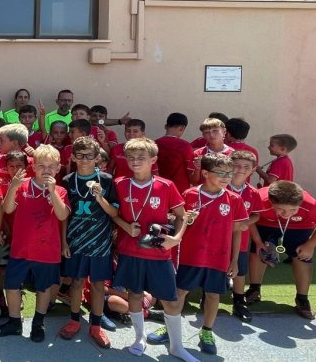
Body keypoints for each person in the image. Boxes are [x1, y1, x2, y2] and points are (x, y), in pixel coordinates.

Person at [147, 153, 248, 357]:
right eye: (220, 172)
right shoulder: (190, 194)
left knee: (212, 294)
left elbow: (237, 231)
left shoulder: (234, 199)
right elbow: (175, 221)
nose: (227, 177)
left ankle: (207, 332)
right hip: (189, 256)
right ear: (205, 173)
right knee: (178, 293)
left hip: (218, 257)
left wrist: (235, 259)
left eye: (230, 172)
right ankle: (170, 329)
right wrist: (186, 221)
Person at [106, 137, 189, 359]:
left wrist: (176, 238)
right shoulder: (120, 183)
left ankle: (176, 346)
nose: (135, 161)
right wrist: (126, 226)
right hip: (129, 251)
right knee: (134, 294)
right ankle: (139, 338)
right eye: (131, 157)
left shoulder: (166, 185)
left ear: (153, 159)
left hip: (159, 252)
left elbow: (181, 216)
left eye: (141, 157)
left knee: (170, 300)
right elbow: (113, 215)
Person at [0, 145, 70, 343]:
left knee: (43, 289)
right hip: (21, 248)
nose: (46, 170)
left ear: (58, 168)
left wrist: (52, 191)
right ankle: (14, 322)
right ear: (33, 167)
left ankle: (38, 323)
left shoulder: (59, 190)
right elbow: (8, 209)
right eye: (41, 165)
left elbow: (62, 215)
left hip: (47, 250)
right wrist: (13, 187)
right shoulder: (23, 185)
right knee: (11, 286)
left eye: (51, 166)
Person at [58, 136, 120, 349]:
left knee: (97, 285)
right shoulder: (67, 180)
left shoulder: (107, 180)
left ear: (97, 158)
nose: (84, 160)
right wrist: (64, 242)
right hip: (75, 241)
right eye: (80, 156)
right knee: (76, 282)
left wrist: (100, 197)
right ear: (73, 157)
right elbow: (64, 214)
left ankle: (95, 325)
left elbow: (114, 212)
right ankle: (74, 320)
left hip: (100, 242)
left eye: (90, 156)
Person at [246, 180, 316, 319]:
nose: (286, 213)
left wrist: (310, 245)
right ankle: (254, 289)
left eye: (293, 210)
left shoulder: (309, 204)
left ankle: (302, 298)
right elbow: (248, 219)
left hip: (300, 227)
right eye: (280, 209)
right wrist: (257, 242)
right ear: (270, 201)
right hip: (265, 224)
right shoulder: (259, 198)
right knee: (259, 251)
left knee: (303, 256)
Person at [227, 149, 260, 322]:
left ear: (253, 170)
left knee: (239, 270)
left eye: (246, 166)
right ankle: (207, 295)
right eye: (236, 165)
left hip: (241, 239)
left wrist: (247, 222)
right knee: (214, 267)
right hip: (218, 238)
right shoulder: (220, 185)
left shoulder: (253, 192)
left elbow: (257, 214)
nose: (240, 169)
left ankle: (239, 301)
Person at [187, 118, 234, 186]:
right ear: (203, 135)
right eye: (207, 132)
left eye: (215, 131)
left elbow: (236, 180)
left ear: (224, 131)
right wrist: (197, 170)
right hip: (203, 194)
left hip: (225, 194)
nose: (211, 135)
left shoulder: (233, 154)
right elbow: (193, 182)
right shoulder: (198, 154)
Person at [155, 113, 192, 195]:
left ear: (165, 126)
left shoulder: (154, 144)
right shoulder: (185, 146)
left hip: (157, 187)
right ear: (182, 128)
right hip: (179, 190)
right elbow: (190, 170)